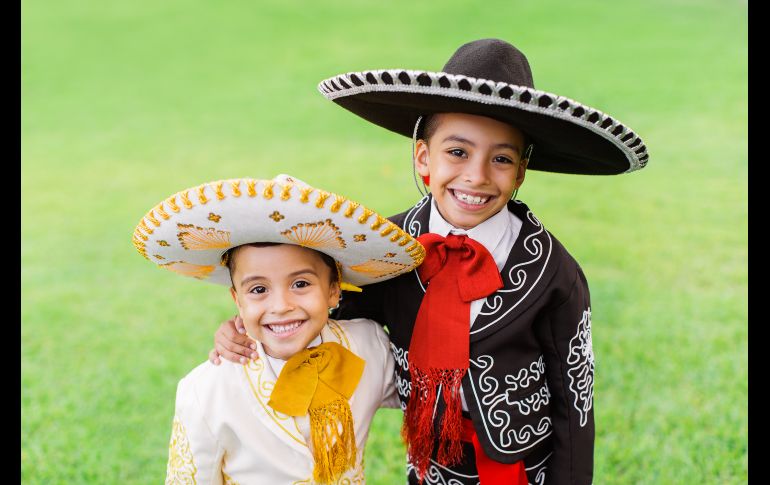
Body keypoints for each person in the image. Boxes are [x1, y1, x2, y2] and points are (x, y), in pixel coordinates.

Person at [209, 39, 649, 484]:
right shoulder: (384, 246)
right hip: (431, 463)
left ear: (520, 172)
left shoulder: (552, 271)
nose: (476, 176)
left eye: (500, 159)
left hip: (520, 466)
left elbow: (574, 395)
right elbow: (320, 309)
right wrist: (247, 326)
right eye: (457, 152)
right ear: (424, 157)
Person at [132, 174, 425, 484]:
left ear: (333, 291)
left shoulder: (369, 344)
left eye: (300, 284)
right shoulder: (206, 390)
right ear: (237, 300)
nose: (281, 305)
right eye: (258, 290)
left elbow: (424, 393)